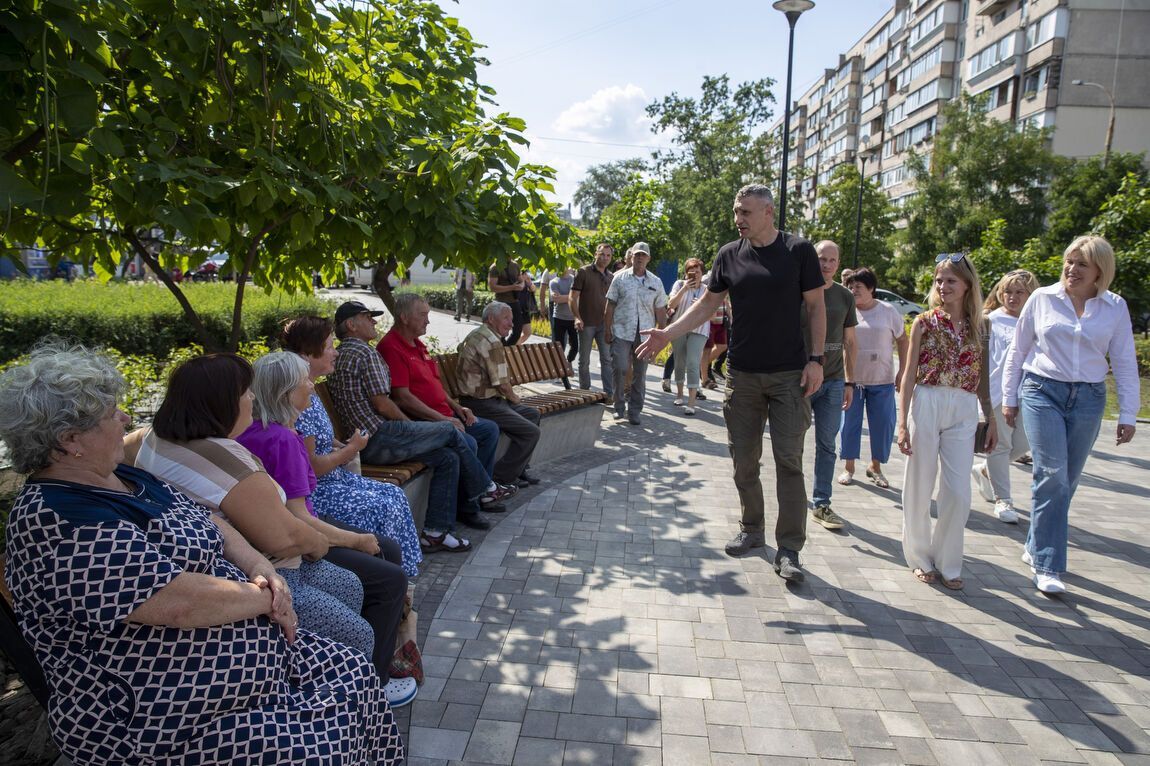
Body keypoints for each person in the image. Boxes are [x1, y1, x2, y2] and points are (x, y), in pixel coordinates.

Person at [0, 344, 405, 765]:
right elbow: (178, 602)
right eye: (110, 414)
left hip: (237, 667)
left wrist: (261, 569)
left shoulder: (122, 476)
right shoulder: (57, 519)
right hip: (156, 714)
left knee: (354, 672)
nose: (124, 419)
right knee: (319, 741)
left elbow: (210, 522)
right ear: (70, 442)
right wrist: (270, 597)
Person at [133, 353, 419, 707]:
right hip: (259, 576)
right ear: (220, 403)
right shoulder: (231, 456)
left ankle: (343, 689)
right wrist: (331, 543)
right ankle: (349, 708)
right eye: (245, 393)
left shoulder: (155, 437)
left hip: (249, 564)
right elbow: (288, 536)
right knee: (360, 627)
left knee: (352, 583)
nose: (251, 399)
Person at [637, 184, 826, 582]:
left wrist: (816, 360)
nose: (738, 219)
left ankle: (790, 548)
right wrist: (667, 334)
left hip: (789, 375)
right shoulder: (728, 254)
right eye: (736, 212)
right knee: (743, 460)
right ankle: (753, 530)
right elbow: (707, 304)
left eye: (745, 213)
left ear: (769, 212)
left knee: (789, 462)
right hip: (741, 375)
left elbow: (815, 306)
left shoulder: (798, 252)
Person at [237, 351, 418, 701]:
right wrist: (355, 540)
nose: (311, 386)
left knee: (388, 551)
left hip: (291, 529)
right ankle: (376, 680)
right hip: (293, 544)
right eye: (305, 380)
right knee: (390, 576)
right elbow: (300, 518)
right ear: (287, 391)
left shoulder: (264, 431)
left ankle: (378, 651)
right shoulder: (282, 440)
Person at [1002, 236, 1139, 594]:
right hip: (1041, 390)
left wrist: (1128, 413)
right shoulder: (1042, 298)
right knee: (1052, 475)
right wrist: (1008, 398)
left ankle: (1035, 542)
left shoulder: (1114, 307)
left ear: (1100, 271)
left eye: (1081, 264)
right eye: (1069, 261)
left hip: (1089, 398)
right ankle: (1048, 566)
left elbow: (1124, 361)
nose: (1071, 269)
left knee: (1068, 479)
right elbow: (1018, 351)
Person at [325, 301, 514, 537]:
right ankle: (485, 487)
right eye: (367, 317)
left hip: (367, 440)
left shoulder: (345, 352)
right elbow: (383, 403)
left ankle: (436, 533)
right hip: (377, 438)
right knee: (448, 430)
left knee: (447, 457)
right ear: (351, 325)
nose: (374, 321)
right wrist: (412, 427)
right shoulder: (363, 352)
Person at [282, 316, 425, 570]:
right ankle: (384, 573)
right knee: (380, 506)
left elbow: (317, 438)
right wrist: (351, 449)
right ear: (307, 354)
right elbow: (312, 468)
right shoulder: (298, 396)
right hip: (318, 491)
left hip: (334, 479)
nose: (335, 353)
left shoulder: (309, 389)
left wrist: (339, 445)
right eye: (328, 347)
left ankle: (402, 575)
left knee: (394, 494)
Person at [897, 253, 996, 592]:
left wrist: (991, 418)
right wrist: (901, 422)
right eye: (939, 280)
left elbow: (982, 378)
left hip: (964, 405)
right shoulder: (923, 322)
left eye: (951, 280)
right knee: (920, 484)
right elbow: (908, 375)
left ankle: (949, 561)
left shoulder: (982, 326)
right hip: (927, 399)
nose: (943, 286)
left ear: (968, 285)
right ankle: (920, 557)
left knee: (957, 491)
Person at [378, 293, 502, 481]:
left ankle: (481, 490)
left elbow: (434, 385)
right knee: (468, 442)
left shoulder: (418, 344)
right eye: (422, 315)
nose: (427, 321)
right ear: (404, 318)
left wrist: (458, 408)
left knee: (489, 430)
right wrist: (443, 420)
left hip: (444, 415)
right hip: (424, 420)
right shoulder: (391, 347)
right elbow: (402, 397)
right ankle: (476, 498)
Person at [972, 269, 1040, 523]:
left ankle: (985, 470)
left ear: (1030, 294)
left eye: (1019, 292)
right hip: (997, 392)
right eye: (1007, 292)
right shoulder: (989, 320)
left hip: (1031, 392)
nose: (1012, 297)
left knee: (1023, 444)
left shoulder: (1036, 320)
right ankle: (1004, 500)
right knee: (1001, 445)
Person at [456, 302, 543, 486]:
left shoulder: (481, 334)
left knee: (532, 414)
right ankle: (500, 478)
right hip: (480, 404)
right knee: (531, 432)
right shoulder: (490, 341)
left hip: (488, 401)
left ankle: (519, 470)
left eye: (511, 319)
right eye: (506, 318)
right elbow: (503, 385)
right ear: (490, 319)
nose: (511, 324)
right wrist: (516, 400)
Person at [803, 241, 858, 530]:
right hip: (799, 378)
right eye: (821, 259)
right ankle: (793, 498)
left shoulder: (845, 296)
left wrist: (850, 381)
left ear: (838, 264)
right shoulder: (798, 289)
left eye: (832, 260)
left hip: (834, 381)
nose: (826, 264)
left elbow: (850, 342)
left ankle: (821, 502)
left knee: (827, 445)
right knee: (791, 442)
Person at [839, 267, 908, 490]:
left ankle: (875, 467)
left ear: (871, 288)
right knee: (850, 424)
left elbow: (903, 340)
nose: (853, 290)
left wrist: (903, 371)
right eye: (850, 287)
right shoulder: (847, 310)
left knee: (882, 426)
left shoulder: (888, 311)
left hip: (882, 380)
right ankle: (849, 467)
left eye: (858, 286)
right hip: (852, 381)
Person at [604, 242, 668, 426]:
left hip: (645, 335)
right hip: (622, 332)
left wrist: (661, 335)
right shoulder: (620, 278)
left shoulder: (656, 282)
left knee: (640, 374)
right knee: (620, 367)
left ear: (648, 258)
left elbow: (661, 310)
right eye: (636, 255)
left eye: (643, 255)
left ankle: (635, 411)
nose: (639, 258)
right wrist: (607, 330)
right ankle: (618, 407)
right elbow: (610, 306)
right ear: (631, 257)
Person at [665, 258, 711, 415]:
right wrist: (684, 289)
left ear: (702, 273)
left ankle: (691, 402)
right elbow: (671, 304)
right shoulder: (679, 285)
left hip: (699, 329)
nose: (695, 275)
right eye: (691, 271)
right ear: (686, 273)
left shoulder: (707, 289)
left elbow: (712, 312)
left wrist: (701, 305)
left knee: (692, 362)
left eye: (698, 272)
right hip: (679, 328)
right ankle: (679, 394)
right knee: (679, 361)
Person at [570, 243, 616, 399]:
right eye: (602, 254)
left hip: (605, 324)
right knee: (584, 361)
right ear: (595, 254)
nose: (605, 258)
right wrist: (577, 317)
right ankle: (585, 393)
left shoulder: (611, 277)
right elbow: (572, 297)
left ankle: (609, 394)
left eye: (608, 255)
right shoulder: (583, 272)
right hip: (586, 322)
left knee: (607, 360)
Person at [488, 258, 534, 345]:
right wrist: (512, 287)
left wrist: (521, 285)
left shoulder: (515, 265)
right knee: (500, 331)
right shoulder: (495, 267)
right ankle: (502, 350)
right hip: (501, 303)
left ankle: (506, 350)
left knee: (518, 330)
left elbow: (521, 281)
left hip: (514, 302)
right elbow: (492, 287)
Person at [549, 267, 579, 363]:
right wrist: (573, 296)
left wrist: (564, 297)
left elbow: (581, 294)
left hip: (573, 318)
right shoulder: (554, 282)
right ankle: (562, 373)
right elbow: (557, 299)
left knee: (575, 347)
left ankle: (568, 363)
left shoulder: (575, 279)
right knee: (559, 348)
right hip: (559, 318)